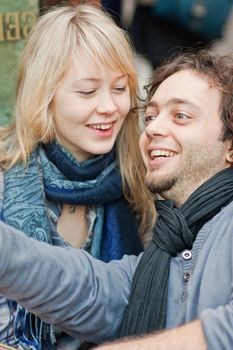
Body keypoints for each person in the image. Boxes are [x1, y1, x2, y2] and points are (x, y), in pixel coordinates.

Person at [0, 49, 233, 350]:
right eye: (150, 116)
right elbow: (86, 287)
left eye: (180, 116)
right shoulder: (166, 252)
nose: (153, 128)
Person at [0, 3, 155, 349]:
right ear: (44, 96)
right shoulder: (4, 179)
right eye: (87, 91)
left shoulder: (138, 181)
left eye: (119, 88)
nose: (109, 106)